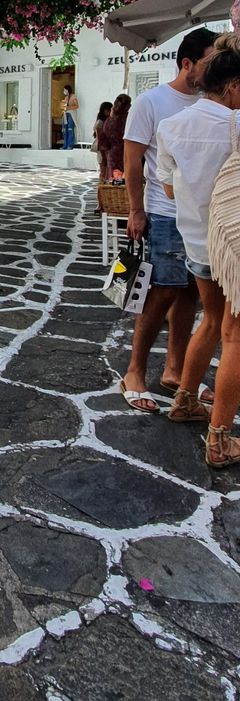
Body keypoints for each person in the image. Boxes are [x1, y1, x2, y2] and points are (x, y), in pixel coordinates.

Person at [120, 26, 217, 413]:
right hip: (163, 214)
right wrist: (136, 210)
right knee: (158, 295)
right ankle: (134, 372)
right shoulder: (152, 102)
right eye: (209, 62)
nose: (216, 70)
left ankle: (175, 369)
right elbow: (132, 161)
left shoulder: (214, 102)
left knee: (192, 296)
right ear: (188, 63)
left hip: (201, 218)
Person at [156, 34, 240, 430]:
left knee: (210, 322)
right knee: (234, 335)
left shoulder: (171, 126)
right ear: (233, 85)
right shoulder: (235, 125)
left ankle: (185, 399)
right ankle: (220, 435)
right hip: (234, 248)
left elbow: (170, 189)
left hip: (197, 244)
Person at [101, 92, 131, 179]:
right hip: (127, 154)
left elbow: (103, 142)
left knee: (115, 182)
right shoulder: (129, 120)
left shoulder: (108, 121)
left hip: (112, 155)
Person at [93, 101, 112, 180]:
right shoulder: (100, 123)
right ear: (105, 111)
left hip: (104, 147)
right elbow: (100, 137)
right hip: (101, 147)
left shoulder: (105, 121)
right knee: (103, 168)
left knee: (106, 167)